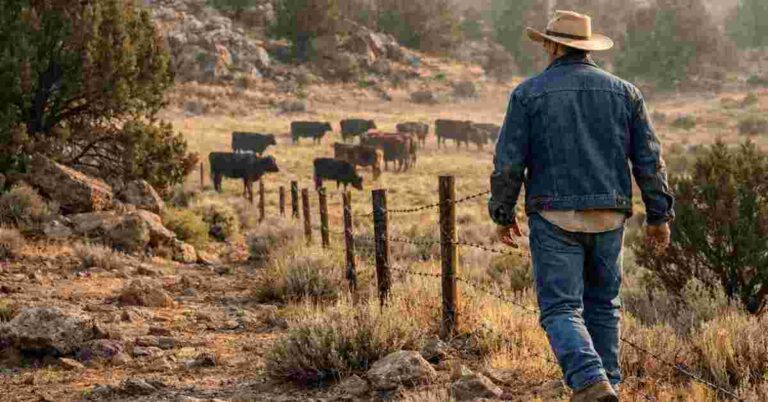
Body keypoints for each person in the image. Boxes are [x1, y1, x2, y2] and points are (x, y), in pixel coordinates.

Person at [488, 10, 675, 402]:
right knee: (604, 306)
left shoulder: (527, 94)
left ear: (554, 46)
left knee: (560, 309)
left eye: (545, 45)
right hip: (610, 215)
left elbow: (509, 162)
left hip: (554, 216)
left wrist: (502, 213)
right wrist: (658, 215)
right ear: (585, 47)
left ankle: (590, 380)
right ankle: (610, 386)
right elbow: (649, 160)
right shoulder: (626, 93)